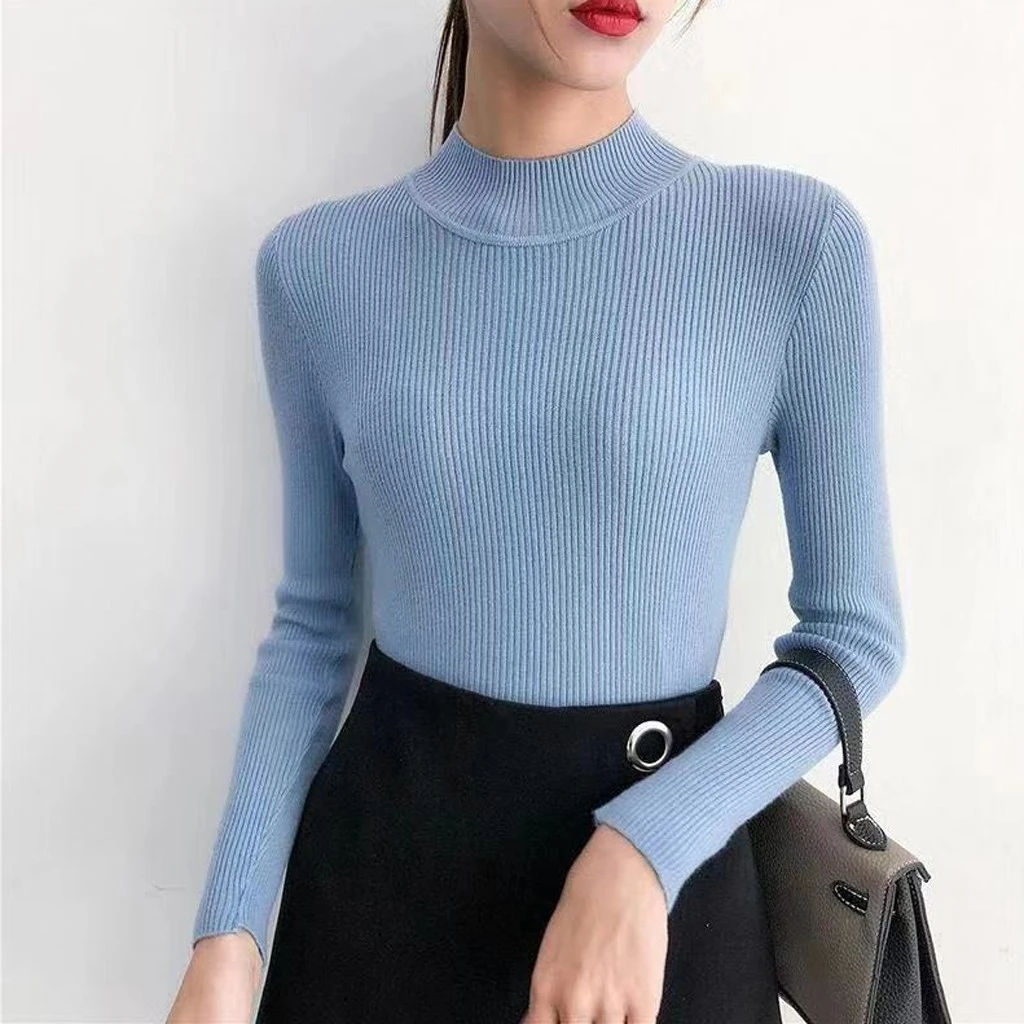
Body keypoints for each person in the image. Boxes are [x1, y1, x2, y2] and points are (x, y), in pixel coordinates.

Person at [167, 0, 906, 1021]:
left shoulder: (791, 243)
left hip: (658, 926)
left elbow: (854, 639)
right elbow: (313, 631)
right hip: (378, 910)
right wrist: (229, 935)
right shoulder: (317, 267)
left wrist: (646, 844)